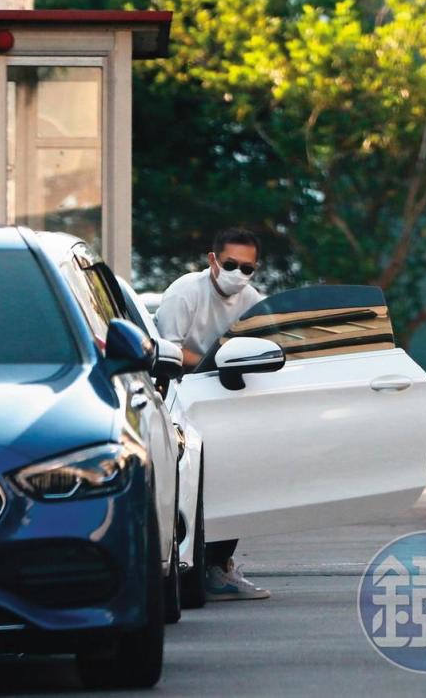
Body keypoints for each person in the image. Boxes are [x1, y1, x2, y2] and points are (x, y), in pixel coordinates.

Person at [155, 227, 271, 601]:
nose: (239, 274)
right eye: (231, 264)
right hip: (180, 397)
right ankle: (194, 564)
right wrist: (212, 364)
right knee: (191, 483)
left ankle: (220, 565)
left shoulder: (252, 301)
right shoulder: (185, 293)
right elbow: (168, 352)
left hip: (226, 400)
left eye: (248, 268)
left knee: (235, 477)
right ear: (212, 261)